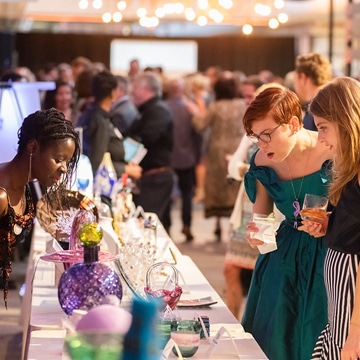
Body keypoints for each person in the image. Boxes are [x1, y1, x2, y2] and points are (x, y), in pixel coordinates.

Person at [241, 86, 332, 359]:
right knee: (274, 337)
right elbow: (262, 218)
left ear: (293, 124)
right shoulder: (260, 162)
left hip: (329, 255)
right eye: (255, 137)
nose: (261, 144)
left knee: (317, 335)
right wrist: (256, 234)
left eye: (267, 135)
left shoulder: (331, 150)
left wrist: (330, 223)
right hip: (283, 259)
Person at [298, 77, 360, 360]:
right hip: (341, 297)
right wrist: (329, 224)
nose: (319, 137)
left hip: (352, 296)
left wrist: (355, 332)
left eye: (323, 127)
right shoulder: (351, 165)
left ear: (346, 121)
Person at [0, 108, 81, 308]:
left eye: (67, 161)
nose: (64, 168)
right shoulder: (1, 195)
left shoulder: (27, 187)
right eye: (59, 159)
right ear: (33, 147)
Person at [193, 72, 246, 241]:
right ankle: (233, 226)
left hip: (217, 150)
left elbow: (200, 125)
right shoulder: (242, 105)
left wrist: (197, 110)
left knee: (217, 185)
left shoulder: (215, 106)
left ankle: (217, 224)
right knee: (235, 184)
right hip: (237, 148)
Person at [126, 72, 173, 232]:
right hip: (150, 177)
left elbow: (146, 138)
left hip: (155, 179)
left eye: (135, 87)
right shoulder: (149, 110)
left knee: (148, 225)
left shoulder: (157, 111)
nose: (132, 92)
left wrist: (124, 152)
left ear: (145, 88)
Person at [77, 70, 142, 180]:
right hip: (102, 187)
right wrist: (126, 169)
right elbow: (96, 163)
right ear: (113, 93)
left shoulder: (90, 112)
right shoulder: (99, 122)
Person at [165, 77, 202, 242]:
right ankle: (187, 225)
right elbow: (198, 133)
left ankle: (167, 226)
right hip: (187, 156)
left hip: (168, 157)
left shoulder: (164, 108)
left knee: (166, 193)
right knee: (187, 193)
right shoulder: (190, 108)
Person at [293, 53, 332, 131]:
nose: (294, 86)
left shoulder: (317, 107)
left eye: (295, 79)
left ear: (303, 78)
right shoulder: (332, 102)